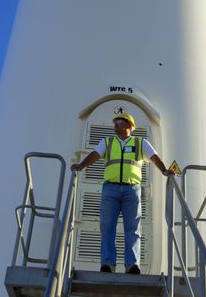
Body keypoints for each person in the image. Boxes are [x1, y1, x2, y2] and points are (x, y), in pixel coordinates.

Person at [71, 113, 173, 274]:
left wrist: (165, 171)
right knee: (107, 227)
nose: (115, 125)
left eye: (119, 123)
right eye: (115, 123)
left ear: (129, 125)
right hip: (110, 188)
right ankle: (108, 264)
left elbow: (154, 157)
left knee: (133, 228)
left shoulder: (140, 143)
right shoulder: (108, 142)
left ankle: (132, 265)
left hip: (132, 189)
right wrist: (81, 165)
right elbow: (95, 154)